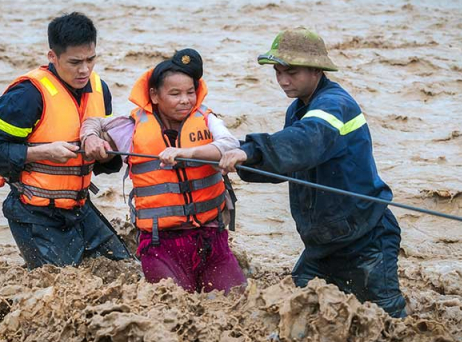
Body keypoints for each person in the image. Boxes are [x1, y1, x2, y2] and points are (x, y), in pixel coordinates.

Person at [219, 28, 407, 317]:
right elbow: (288, 163)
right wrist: (244, 163)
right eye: (278, 72)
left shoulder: (334, 106)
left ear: (317, 70)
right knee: (298, 312)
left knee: (388, 322)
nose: (283, 80)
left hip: (366, 238)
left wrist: (252, 151)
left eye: (291, 72)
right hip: (324, 243)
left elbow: (304, 142)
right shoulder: (297, 110)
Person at [82, 49, 246, 294]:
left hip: (211, 238)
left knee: (238, 302)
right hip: (160, 245)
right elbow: (95, 122)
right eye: (175, 93)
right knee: (172, 306)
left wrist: (187, 153)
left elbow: (230, 145)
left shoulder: (207, 120)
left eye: (191, 92)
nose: (185, 100)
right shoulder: (132, 129)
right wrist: (90, 137)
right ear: (154, 96)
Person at [0, 12, 130, 269]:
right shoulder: (26, 95)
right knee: (62, 290)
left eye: (91, 59)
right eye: (75, 62)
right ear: (53, 57)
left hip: (79, 208)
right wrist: (43, 152)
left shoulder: (100, 89)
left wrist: (106, 152)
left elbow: (104, 164)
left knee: (127, 272)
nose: (84, 69)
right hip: (33, 213)